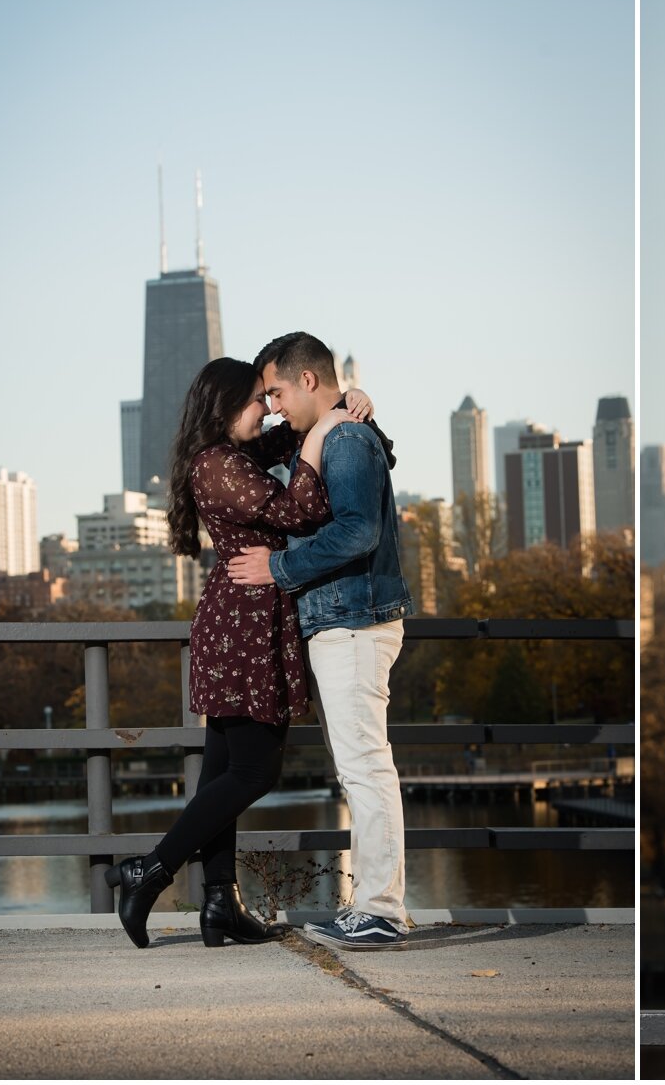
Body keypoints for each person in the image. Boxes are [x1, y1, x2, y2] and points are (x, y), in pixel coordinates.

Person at [106, 358, 367, 948]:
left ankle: (220, 902)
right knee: (254, 771)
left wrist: (344, 399)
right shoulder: (218, 465)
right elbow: (302, 511)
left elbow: (296, 427)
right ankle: (149, 871)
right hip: (243, 629)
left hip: (243, 622)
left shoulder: (236, 454)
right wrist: (325, 432)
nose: (268, 407)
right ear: (225, 409)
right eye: (257, 399)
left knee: (219, 777)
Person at [226, 332, 416, 952]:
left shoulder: (343, 438)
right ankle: (374, 905)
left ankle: (382, 909)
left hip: (355, 621)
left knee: (365, 766)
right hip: (343, 619)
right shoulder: (338, 434)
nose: (274, 405)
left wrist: (279, 567)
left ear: (309, 380)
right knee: (359, 766)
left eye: (277, 390)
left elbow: (358, 531)